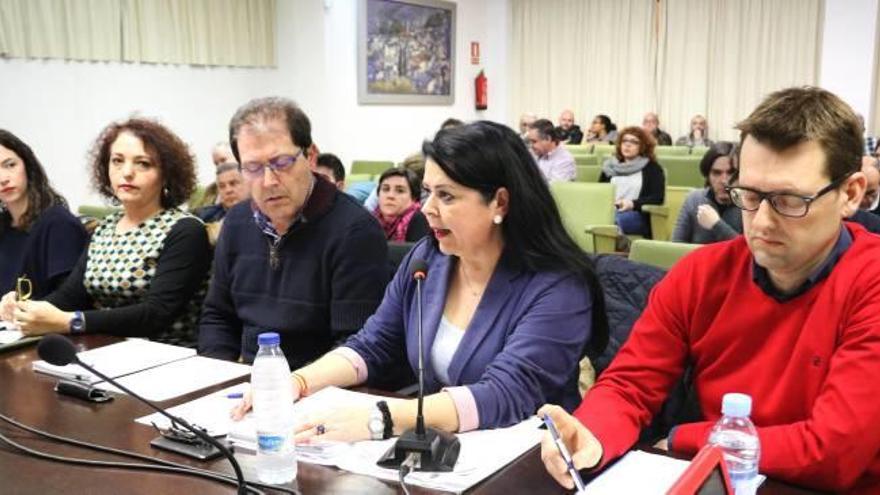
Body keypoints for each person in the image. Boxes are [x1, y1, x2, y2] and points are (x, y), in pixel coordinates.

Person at [540, 87, 880, 493]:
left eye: (789, 201)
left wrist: (686, 438)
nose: (762, 222)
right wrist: (590, 435)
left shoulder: (870, 280)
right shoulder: (701, 274)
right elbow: (630, 385)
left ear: (851, 194)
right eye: (750, 195)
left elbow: (833, 450)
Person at [231, 121, 608, 443]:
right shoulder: (430, 258)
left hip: (526, 458)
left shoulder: (558, 286)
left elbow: (505, 394)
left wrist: (382, 417)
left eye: (446, 196)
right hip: (444, 449)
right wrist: (296, 383)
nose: (427, 209)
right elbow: (373, 344)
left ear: (500, 203)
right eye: (428, 192)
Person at [198, 97, 389, 367]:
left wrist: (294, 387)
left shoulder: (354, 231)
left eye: (282, 162)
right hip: (249, 385)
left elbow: (356, 345)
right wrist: (217, 378)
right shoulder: (238, 221)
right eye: (252, 168)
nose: (268, 181)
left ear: (311, 157)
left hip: (322, 387)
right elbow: (218, 316)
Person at [0, 118, 211, 346]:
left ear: (166, 174)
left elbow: (156, 313)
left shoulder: (186, 230)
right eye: (117, 161)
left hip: (168, 356)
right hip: (105, 351)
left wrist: (71, 321)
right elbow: (70, 296)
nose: (127, 172)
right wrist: (26, 309)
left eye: (143, 164)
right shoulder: (106, 228)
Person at [0, 130, 87, 301]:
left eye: (10, 165)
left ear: (27, 165)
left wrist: (19, 310)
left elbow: (70, 300)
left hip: (43, 326)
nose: (3, 178)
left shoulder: (59, 225)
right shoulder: (3, 226)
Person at [599, 127, 665, 237]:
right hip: (609, 211)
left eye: (634, 142)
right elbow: (599, 192)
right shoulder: (610, 166)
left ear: (643, 146)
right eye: (624, 141)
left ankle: (621, 244)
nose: (627, 145)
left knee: (614, 219)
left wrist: (632, 204)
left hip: (636, 214)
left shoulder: (652, 168)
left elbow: (657, 198)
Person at [672, 141, 742, 244]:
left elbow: (747, 252)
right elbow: (676, 245)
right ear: (708, 177)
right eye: (716, 173)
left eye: (731, 173)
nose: (724, 181)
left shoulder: (748, 204)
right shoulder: (694, 199)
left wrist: (716, 225)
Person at [194, 162, 249, 244]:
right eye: (222, 186)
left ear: (247, 184)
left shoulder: (265, 216)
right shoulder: (204, 219)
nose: (228, 190)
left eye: (233, 183)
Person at [372, 168, 429, 242]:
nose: (390, 196)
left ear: (414, 197)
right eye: (385, 189)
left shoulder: (420, 220)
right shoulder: (371, 219)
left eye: (400, 191)